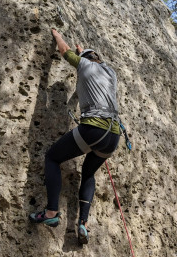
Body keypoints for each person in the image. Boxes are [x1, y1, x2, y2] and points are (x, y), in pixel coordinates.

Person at [29, 28, 121, 244]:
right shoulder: (110, 73)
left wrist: (57, 35)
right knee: (88, 174)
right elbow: (90, 62)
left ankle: (51, 213)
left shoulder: (84, 65)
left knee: (52, 157)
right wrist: (85, 52)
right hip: (113, 135)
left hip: (94, 129)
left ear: (85, 60)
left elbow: (65, 51)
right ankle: (83, 223)